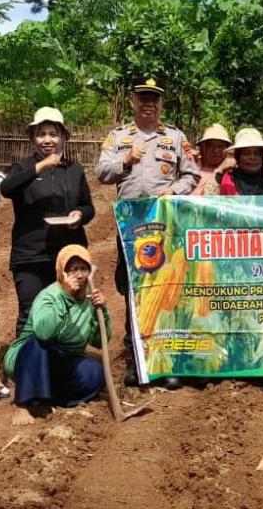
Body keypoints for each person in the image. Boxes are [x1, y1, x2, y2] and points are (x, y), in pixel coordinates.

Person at [95, 78, 200, 389]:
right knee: (133, 287)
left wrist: (174, 190)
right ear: (132, 102)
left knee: (165, 288)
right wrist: (125, 160)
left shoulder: (176, 137)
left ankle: (166, 360)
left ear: (161, 104)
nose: (148, 103)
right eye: (143, 98)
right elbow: (101, 173)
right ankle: (137, 360)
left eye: (154, 98)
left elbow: (191, 174)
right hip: (130, 226)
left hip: (165, 225)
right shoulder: (117, 138)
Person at [0, 107, 95, 338]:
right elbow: (6, 188)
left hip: (69, 253)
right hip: (30, 254)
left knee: (69, 310)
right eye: (41, 134)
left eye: (53, 134)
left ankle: (62, 365)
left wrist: (79, 216)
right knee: (30, 311)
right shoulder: (22, 168)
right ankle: (25, 366)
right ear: (33, 138)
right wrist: (40, 167)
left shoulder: (74, 169)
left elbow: (89, 207)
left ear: (63, 137)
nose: (47, 140)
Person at [4, 245, 108, 426]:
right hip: (30, 359)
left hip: (64, 361)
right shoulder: (49, 297)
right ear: (62, 272)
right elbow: (44, 333)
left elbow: (99, 342)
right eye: (72, 269)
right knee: (38, 343)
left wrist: (103, 312)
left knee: (94, 372)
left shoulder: (90, 300)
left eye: (83, 269)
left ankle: (50, 398)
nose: (79, 275)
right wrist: (66, 296)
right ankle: (22, 403)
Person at [204, 128, 263, 196]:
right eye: (246, 153)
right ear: (238, 157)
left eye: (257, 154)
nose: (252, 157)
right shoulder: (228, 182)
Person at [191, 123, 233, 195]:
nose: (216, 150)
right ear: (203, 147)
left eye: (220, 146)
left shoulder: (230, 170)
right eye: (211, 146)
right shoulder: (190, 164)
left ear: (226, 149)